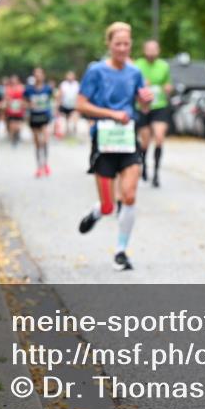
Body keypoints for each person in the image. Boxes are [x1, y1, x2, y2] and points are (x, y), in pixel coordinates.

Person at [76, 22, 153, 271]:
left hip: (128, 139)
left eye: (126, 44)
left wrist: (145, 102)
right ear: (108, 44)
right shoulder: (96, 71)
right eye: (117, 43)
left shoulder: (135, 72)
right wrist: (110, 114)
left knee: (129, 195)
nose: (122, 48)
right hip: (104, 140)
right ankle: (99, 211)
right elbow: (81, 104)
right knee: (110, 205)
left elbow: (143, 107)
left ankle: (121, 251)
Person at [133, 40, 173, 187]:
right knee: (145, 142)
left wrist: (168, 88)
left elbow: (168, 83)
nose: (151, 52)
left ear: (158, 50)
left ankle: (156, 174)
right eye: (148, 49)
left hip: (159, 105)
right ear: (144, 50)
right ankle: (143, 166)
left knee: (159, 137)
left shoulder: (164, 66)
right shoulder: (137, 65)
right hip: (142, 107)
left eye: (154, 49)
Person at [25, 67, 54, 177]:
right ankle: (38, 166)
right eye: (35, 74)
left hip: (45, 117)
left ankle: (45, 164)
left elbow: (54, 99)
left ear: (43, 76)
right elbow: (24, 102)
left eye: (39, 74)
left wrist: (54, 110)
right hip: (34, 117)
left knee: (45, 140)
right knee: (37, 143)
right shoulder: (29, 89)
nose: (38, 76)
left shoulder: (47, 88)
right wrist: (29, 105)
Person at [4, 74, 26, 146]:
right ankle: (13, 138)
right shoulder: (8, 88)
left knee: (18, 126)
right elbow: (6, 98)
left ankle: (17, 135)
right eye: (12, 80)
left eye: (15, 80)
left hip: (19, 110)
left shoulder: (21, 88)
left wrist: (22, 103)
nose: (13, 81)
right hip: (11, 111)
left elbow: (24, 98)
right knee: (12, 125)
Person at [58, 71, 81, 138]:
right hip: (65, 104)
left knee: (75, 116)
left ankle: (74, 128)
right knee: (66, 118)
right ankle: (68, 130)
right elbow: (60, 94)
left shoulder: (76, 84)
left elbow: (78, 94)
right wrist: (59, 103)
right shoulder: (63, 84)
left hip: (74, 104)